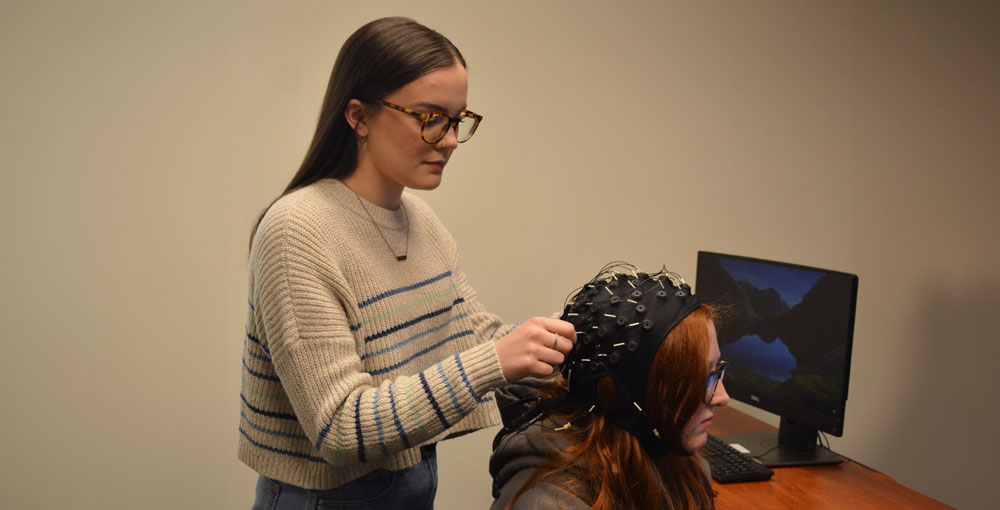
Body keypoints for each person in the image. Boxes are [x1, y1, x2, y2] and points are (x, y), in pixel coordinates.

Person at [239, 17, 576, 510]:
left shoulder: (421, 220)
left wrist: (578, 340)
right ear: (358, 116)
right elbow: (338, 426)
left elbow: (474, 334)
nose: (450, 140)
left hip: (410, 484)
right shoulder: (297, 231)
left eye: (458, 118)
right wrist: (495, 362)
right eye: (429, 116)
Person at [489, 263, 730, 510]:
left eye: (715, 371)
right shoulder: (546, 503)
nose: (722, 396)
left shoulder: (683, 462)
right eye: (698, 378)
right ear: (629, 397)